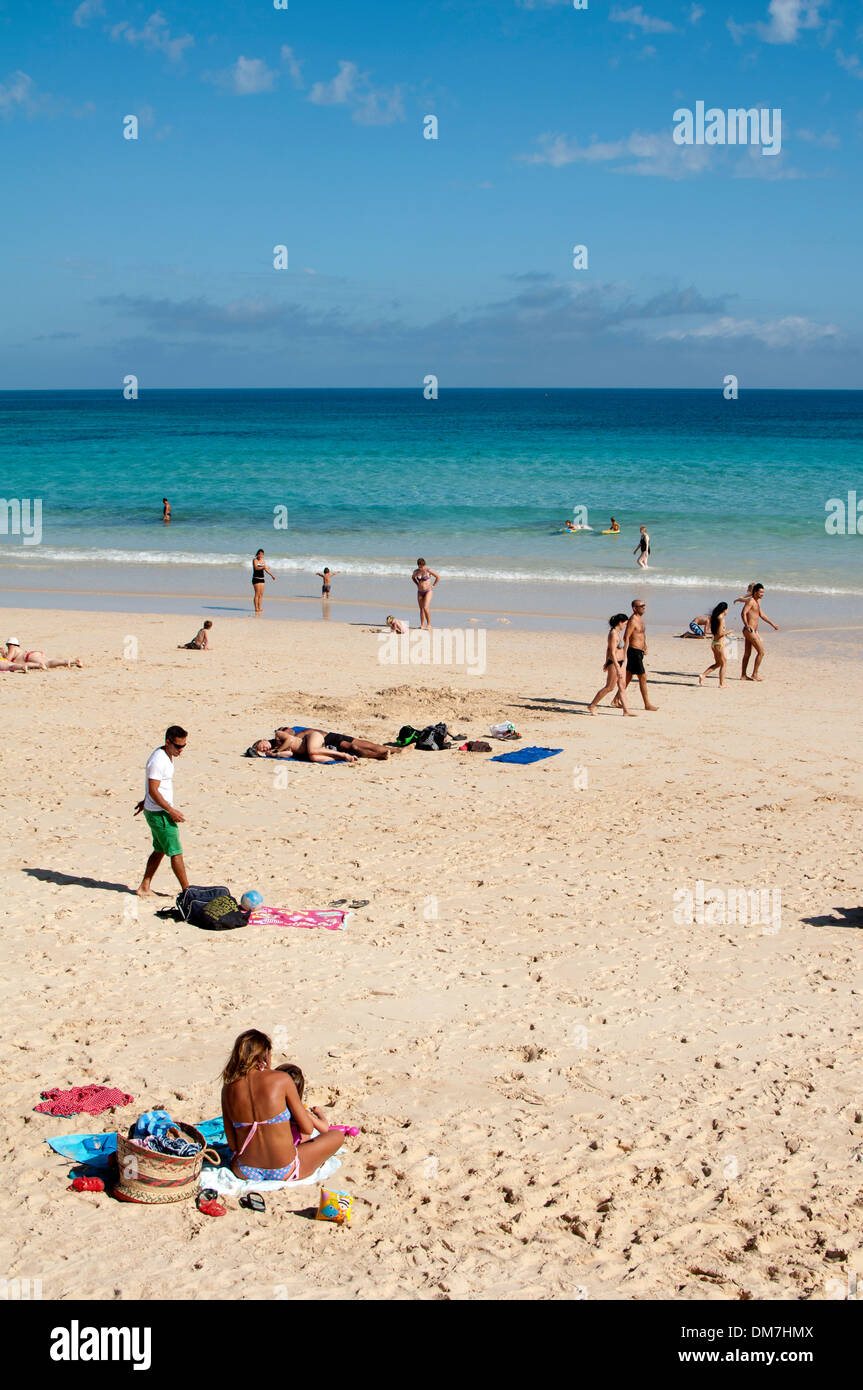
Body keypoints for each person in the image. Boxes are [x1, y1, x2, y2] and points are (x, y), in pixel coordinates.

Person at [221, 1030, 345, 1183]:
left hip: (245, 1170)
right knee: (337, 1136)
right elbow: (307, 1129)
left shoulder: (228, 1089)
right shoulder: (281, 1079)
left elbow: (233, 1144)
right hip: (284, 1169)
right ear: (265, 1054)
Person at [134, 725, 190, 895]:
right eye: (178, 746)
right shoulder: (158, 761)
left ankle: (145, 886)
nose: (181, 750)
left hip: (156, 810)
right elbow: (153, 789)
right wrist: (170, 810)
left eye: (184, 746)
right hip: (160, 814)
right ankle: (187, 891)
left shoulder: (166, 754)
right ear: (168, 742)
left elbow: (154, 788)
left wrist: (145, 802)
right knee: (175, 851)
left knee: (160, 849)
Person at [588, 614, 635, 717]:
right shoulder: (613, 634)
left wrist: (610, 662)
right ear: (620, 622)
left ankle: (626, 711)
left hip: (620, 662)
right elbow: (612, 652)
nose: (625, 626)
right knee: (609, 687)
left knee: (622, 687)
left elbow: (608, 649)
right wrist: (616, 667)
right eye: (625, 623)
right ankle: (592, 705)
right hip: (614, 663)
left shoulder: (618, 633)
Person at [615, 599, 658, 711]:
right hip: (633, 651)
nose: (644, 607)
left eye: (644, 605)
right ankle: (647, 704)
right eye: (641, 605)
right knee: (642, 677)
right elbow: (626, 637)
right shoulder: (633, 620)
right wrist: (624, 652)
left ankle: (615, 699)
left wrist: (645, 646)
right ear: (635, 608)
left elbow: (641, 635)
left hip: (639, 651)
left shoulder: (640, 619)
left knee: (628, 677)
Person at [275, 726, 390, 761]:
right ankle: (379, 755)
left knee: (354, 746)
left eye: (286, 728)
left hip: (331, 738)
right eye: (284, 729)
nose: (287, 730)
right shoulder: (291, 740)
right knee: (355, 747)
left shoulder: (299, 733)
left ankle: (395, 750)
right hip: (324, 745)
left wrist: (277, 750)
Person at [247, 730, 358, 763]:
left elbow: (290, 738)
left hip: (311, 738)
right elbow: (290, 754)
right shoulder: (272, 751)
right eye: (263, 749)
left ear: (263, 740)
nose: (265, 748)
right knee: (314, 758)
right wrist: (275, 754)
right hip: (310, 749)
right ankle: (342, 758)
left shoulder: (278, 735)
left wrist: (277, 749)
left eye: (262, 745)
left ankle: (343, 754)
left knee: (312, 751)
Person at [741, 583, 778, 682]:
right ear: (755, 592)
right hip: (750, 630)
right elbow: (743, 613)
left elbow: (761, 614)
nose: (762, 594)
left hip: (751, 631)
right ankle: (755, 674)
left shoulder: (757, 602)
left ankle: (743, 675)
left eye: (763, 592)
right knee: (761, 652)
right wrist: (747, 624)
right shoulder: (751, 601)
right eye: (761, 592)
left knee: (747, 653)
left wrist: (772, 624)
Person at [699, 602, 729, 688]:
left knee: (718, 663)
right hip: (719, 644)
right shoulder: (721, 619)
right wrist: (728, 632)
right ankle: (721, 684)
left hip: (714, 644)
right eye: (727, 610)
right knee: (724, 663)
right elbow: (720, 634)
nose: (727, 611)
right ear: (724, 610)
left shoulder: (715, 618)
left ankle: (703, 675)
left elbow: (711, 632)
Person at [3, 639, 83, 669]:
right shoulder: (18, 648)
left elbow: (6, 661)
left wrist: (3, 653)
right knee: (50, 660)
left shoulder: (12, 648)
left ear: (9, 644)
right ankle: (73, 661)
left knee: (48, 663)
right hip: (32, 654)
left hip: (28, 657)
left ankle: (71, 661)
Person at [412, 558, 439, 630]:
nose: (421, 568)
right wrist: (417, 584)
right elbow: (413, 578)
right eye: (420, 566)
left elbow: (437, 577)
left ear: (424, 565)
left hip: (428, 591)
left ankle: (429, 624)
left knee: (425, 607)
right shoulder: (416, 572)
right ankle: (422, 625)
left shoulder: (428, 571)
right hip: (420, 592)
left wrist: (433, 585)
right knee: (421, 609)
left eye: (422, 566)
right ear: (418, 565)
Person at [251, 550, 276, 614]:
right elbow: (256, 568)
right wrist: (263, 567)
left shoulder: (263, 561)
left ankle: (259, 608)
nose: (261, 555)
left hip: (262, 579)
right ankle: (256, 608)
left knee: (261, 594)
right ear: (257, 554)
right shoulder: (255, 560)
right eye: (260, 554)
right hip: (256, 578)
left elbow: (266, 569)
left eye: (262, 554)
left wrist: (272, 575)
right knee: (257, 594)